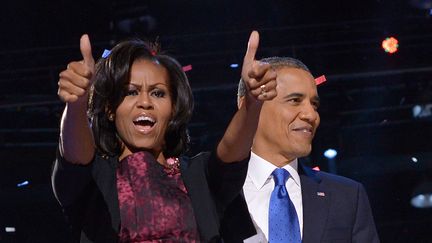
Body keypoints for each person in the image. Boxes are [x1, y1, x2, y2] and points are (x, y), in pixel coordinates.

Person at [51, 31, 277, 242]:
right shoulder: (95, 180)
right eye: (131, 92)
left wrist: (252, 103)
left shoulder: (200, 176)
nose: (145, 102)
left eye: (158, 93)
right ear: (110, 109)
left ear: (173, 108)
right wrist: (77, 103)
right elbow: (73, 154)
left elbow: (230, 154)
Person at [220, 57, 380, 243]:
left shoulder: (347, 197)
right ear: (249, 105)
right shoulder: (209, 195)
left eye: (314, 104)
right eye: (295, 100)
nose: (311, 115)